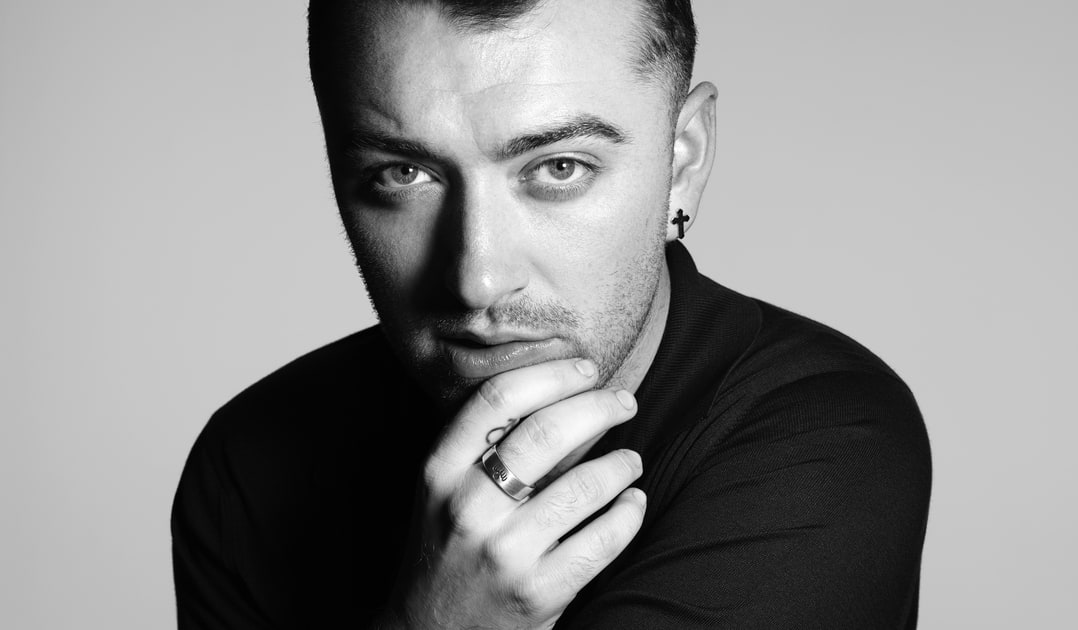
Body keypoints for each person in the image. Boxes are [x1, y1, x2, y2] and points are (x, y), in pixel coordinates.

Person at [171, 0, 932, 628]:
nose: (478, 278)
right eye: (402, 174)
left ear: (683, 161)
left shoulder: (827, 438)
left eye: (559, 168)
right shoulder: (249, 465)